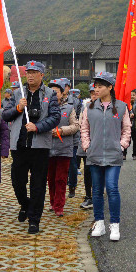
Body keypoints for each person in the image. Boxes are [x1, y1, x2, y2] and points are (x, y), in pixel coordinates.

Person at [3, 61, 61, 234]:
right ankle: (25, 205)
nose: (30, 75)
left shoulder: (50, 94)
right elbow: (4, 115)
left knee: (38, 185)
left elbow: (55, 117)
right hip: (19, 146)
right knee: (17, 182)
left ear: (42, 75)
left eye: (34, 72)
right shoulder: (17, 94)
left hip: (40, 147)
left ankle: (34, 220)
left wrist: (38, 127)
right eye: (28, 72)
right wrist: (18, 108)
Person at [80, 72, 131, 241]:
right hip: (94, 154)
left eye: (101, 86)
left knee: (112, 188)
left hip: (113, 155)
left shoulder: (121, 107)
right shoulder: (90, 107)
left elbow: (126, 129)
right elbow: (84, 128)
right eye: (96, 86)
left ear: (110, 87)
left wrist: (121, 145)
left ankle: (114, 225)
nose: (97, 89)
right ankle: (99, 222)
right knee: (96, 190)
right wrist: (87, 145)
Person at [47, 79, 80, 216]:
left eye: (56, 92)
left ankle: (59, 206)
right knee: (50, 178)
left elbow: (76, 126)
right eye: (51, 92)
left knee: (61, 179)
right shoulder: (46, 108)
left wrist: (61, 131)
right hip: (48, 148)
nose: (54, 94)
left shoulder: (69, 108)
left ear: (62, 93)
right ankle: (53, 202)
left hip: (64, 148)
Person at [74, 84, 96, 209]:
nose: (94, 94)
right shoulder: (86, 107)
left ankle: (97, 195)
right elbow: (82, 125)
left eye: (96, 91)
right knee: (87, 170)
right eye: (92, 92)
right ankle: (88, 196)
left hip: (101, 146)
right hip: (87, 144)